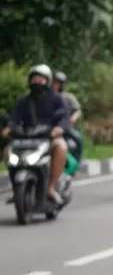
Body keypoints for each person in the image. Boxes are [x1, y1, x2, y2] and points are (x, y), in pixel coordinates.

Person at [1, 64, 70, 203]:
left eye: (41, 79)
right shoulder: (23, 101)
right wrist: (9, 128)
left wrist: (59, 129)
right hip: (26, 139)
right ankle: (16, 189)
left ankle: (51, 188)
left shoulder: (57, 99)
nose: (37, 82)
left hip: (48, 138)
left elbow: (64, 117)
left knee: (61, 147)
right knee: (8, 151)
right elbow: (14, 118)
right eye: (35, 79)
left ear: (48, 81)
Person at [52, 70, 84, 166]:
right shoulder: (46, 97)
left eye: (57, 83)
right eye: (53, 82)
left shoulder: (68, 97)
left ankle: (77, 162)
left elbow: (78, 110)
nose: (55, 85)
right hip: (49, 126)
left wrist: (73, 118)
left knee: (78, 138)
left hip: (65, 126)